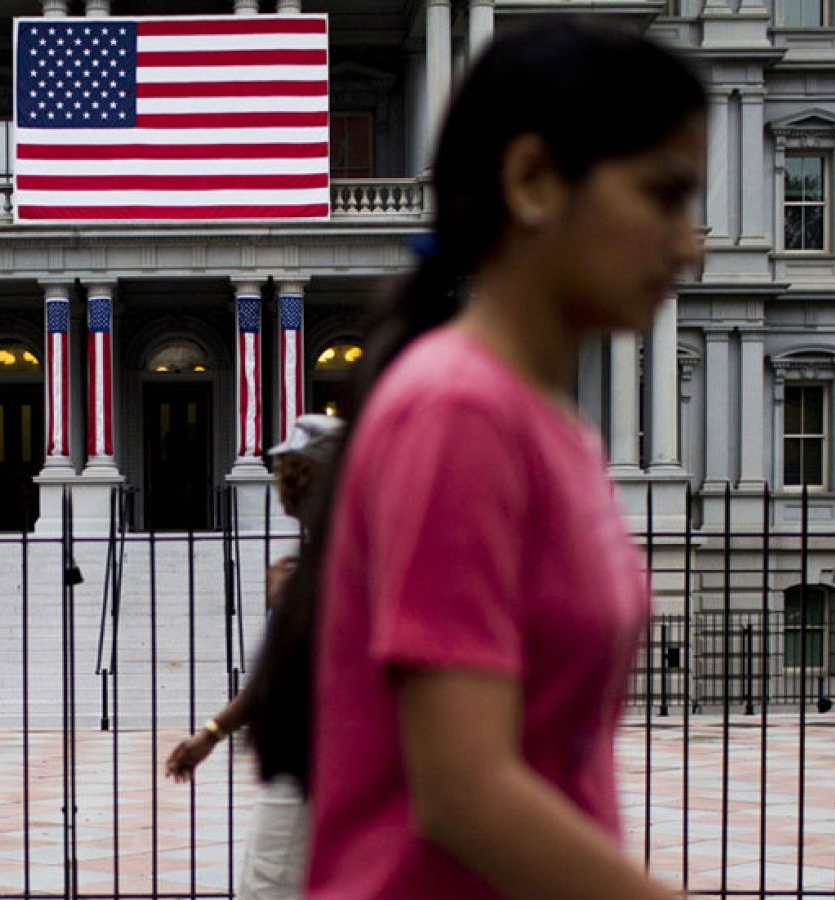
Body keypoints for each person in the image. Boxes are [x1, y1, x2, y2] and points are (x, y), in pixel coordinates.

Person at [288, 20, 706, 900]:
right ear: (533, 182)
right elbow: (466, 793)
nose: (691, 243)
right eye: (664, 196)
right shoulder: (458, 412)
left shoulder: (548, 424)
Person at [164, 413, 343, 900]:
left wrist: (289, 608)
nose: (285, 485)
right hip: (303, 762)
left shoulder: (344, 560)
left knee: (267, 888)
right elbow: (270, 682)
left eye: (294, 472)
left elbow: (305, 670)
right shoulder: (311, 560)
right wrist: (212, 734)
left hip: (319, 764)